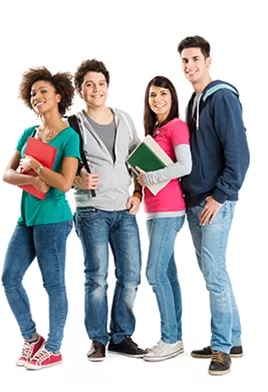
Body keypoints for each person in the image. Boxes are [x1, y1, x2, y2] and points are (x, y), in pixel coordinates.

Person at [177, 36, 250, 375]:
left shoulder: (221, 97)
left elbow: (239, 155)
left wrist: (220, 196)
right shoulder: (194, 100)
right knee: (213, 272)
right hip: (194, 200)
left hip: (214, 202)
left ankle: (221, 348)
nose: (189, 66)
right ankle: (232, 338)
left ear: (208, 60)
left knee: (215, 276)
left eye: (194, 59)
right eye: (184, 60)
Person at [2, 67, 80, 370]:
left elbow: (64, 183)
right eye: (33, 93)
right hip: (27, 218)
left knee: (54, 285)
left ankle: (55, 348)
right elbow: (7, 174)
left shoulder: (69, 137)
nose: (38, 97)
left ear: (59, 96)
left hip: (53, 219)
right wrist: (32, 181)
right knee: (9, 279)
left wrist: (37, 166)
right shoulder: (27, 133)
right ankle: (32, 338)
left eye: (44, 91)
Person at [72, 59, 146, 361]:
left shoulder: (125, 119)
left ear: (107, 86)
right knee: (97, 277)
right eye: (89, 84)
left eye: (101, 84)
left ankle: (121, 335)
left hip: (124, 211)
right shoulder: (72, 124)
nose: (96, 89)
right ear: (80, 90)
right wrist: (78, 178)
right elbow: (62, 169)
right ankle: (98, 339)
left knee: (130, 276)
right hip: (92, 213)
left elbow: (139, 161)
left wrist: (138, 193)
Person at [135, 76, 192, 362]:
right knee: (167, 274)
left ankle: (170, 338)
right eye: (152, 95)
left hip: (170, 210)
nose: (157, 99)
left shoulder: (177, 127)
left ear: (173, 97)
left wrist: (151, 177)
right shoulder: (155, 130)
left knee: (154, 274)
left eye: (163, 94)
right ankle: (175, 336)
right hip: (153, 211)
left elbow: (185, 165)